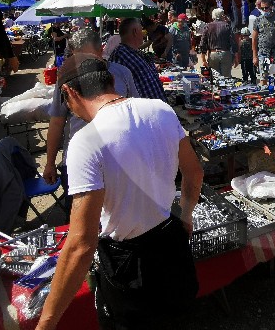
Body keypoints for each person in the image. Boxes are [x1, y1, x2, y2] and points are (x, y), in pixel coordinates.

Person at [34, 54, 202, 330]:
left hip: (129, 266)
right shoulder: (160, 110)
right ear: (111, 80)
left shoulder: (85, 143)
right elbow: (194, 174)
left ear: (68, 92)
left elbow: (81, 244)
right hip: (171, 246)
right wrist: (184, 216)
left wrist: (47, 322)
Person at [43, 28, 139, 187]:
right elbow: (57, 122)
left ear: (101, 50)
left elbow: (134, 111)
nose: (86, 63)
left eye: (91, 56)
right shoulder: (67, 78)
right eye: (80, 57)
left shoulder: (122, 73)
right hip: (79, 161)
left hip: (118, 159)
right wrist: (50, 163)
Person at [109, 17, 167, 101]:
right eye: (141, 30)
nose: (144, 33)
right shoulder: (120, 55)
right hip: (146, 111)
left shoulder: (136, 53)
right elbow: (119, 93)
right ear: (135, 32)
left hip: (158, 108)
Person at [199, 8, 236, 77]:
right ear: (222, 15)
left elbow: (203, 43)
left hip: (213, 54)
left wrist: (203, 59)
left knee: (215, 78)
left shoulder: (208, 26)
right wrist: (236, 56)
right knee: (226, 78)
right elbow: (233, 42)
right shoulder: (227, 26)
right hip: (225, 53)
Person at [252, 0, 275, 85]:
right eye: (262, 8)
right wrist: (254, 56)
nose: (264, 10)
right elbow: (254, 39)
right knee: (263, 77)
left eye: (266, 8)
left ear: (271, 7)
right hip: (263, 53)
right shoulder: (258, 20)